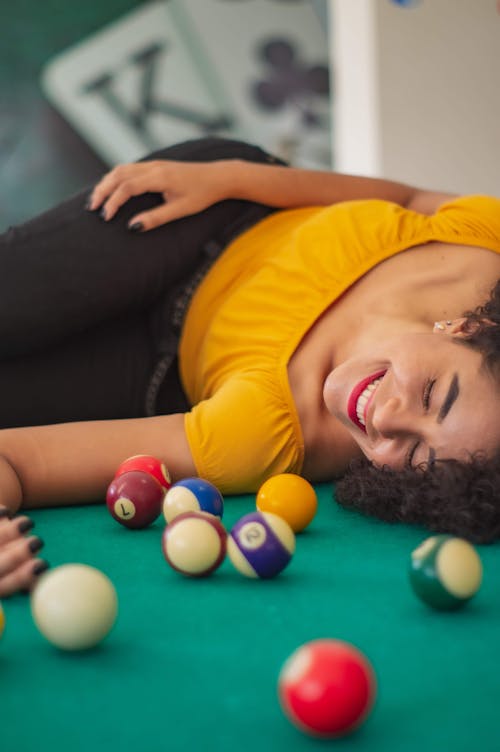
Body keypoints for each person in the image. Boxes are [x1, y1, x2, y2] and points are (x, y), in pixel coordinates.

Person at [0, 136, 499, 598]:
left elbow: (20, 461)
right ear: (465, 329)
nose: (389, 420)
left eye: (418, 459)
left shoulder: (265, 437)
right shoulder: (487, 245)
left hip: (152, 364)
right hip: (212, 210)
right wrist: (234, 176)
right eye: (433, 393)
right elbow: (410, 198)